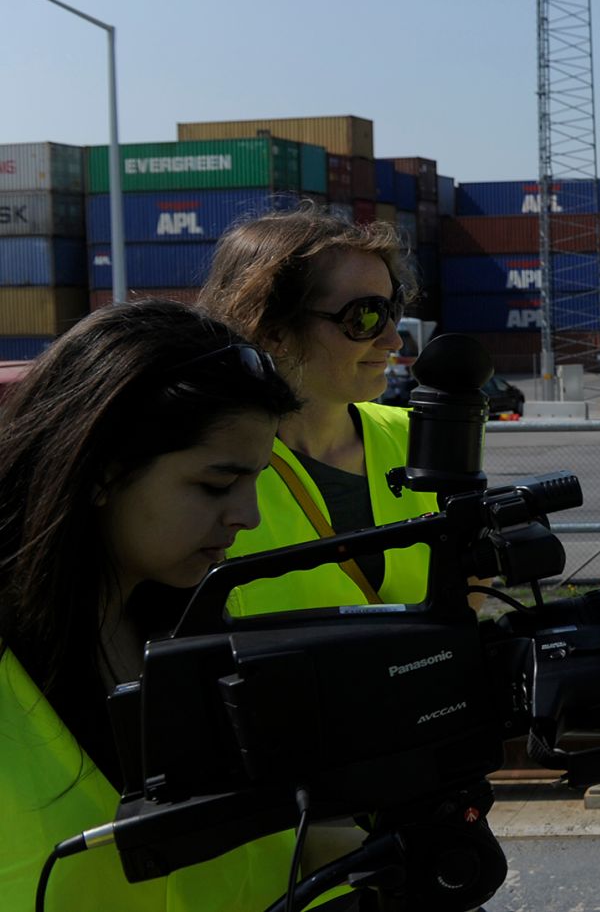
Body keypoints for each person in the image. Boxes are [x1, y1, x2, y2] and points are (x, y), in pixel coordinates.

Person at [0, 300, 334, 909]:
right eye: (215, 484)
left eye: (256, 481)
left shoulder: (192, 630)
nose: (249, 516)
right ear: (101, 470)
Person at [197, 205, 439, 615]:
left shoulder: (420, 438)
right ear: (273, 331)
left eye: (393, 309)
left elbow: (466, 583)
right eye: (366, 316)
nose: (393, 341)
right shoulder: (199, 469)